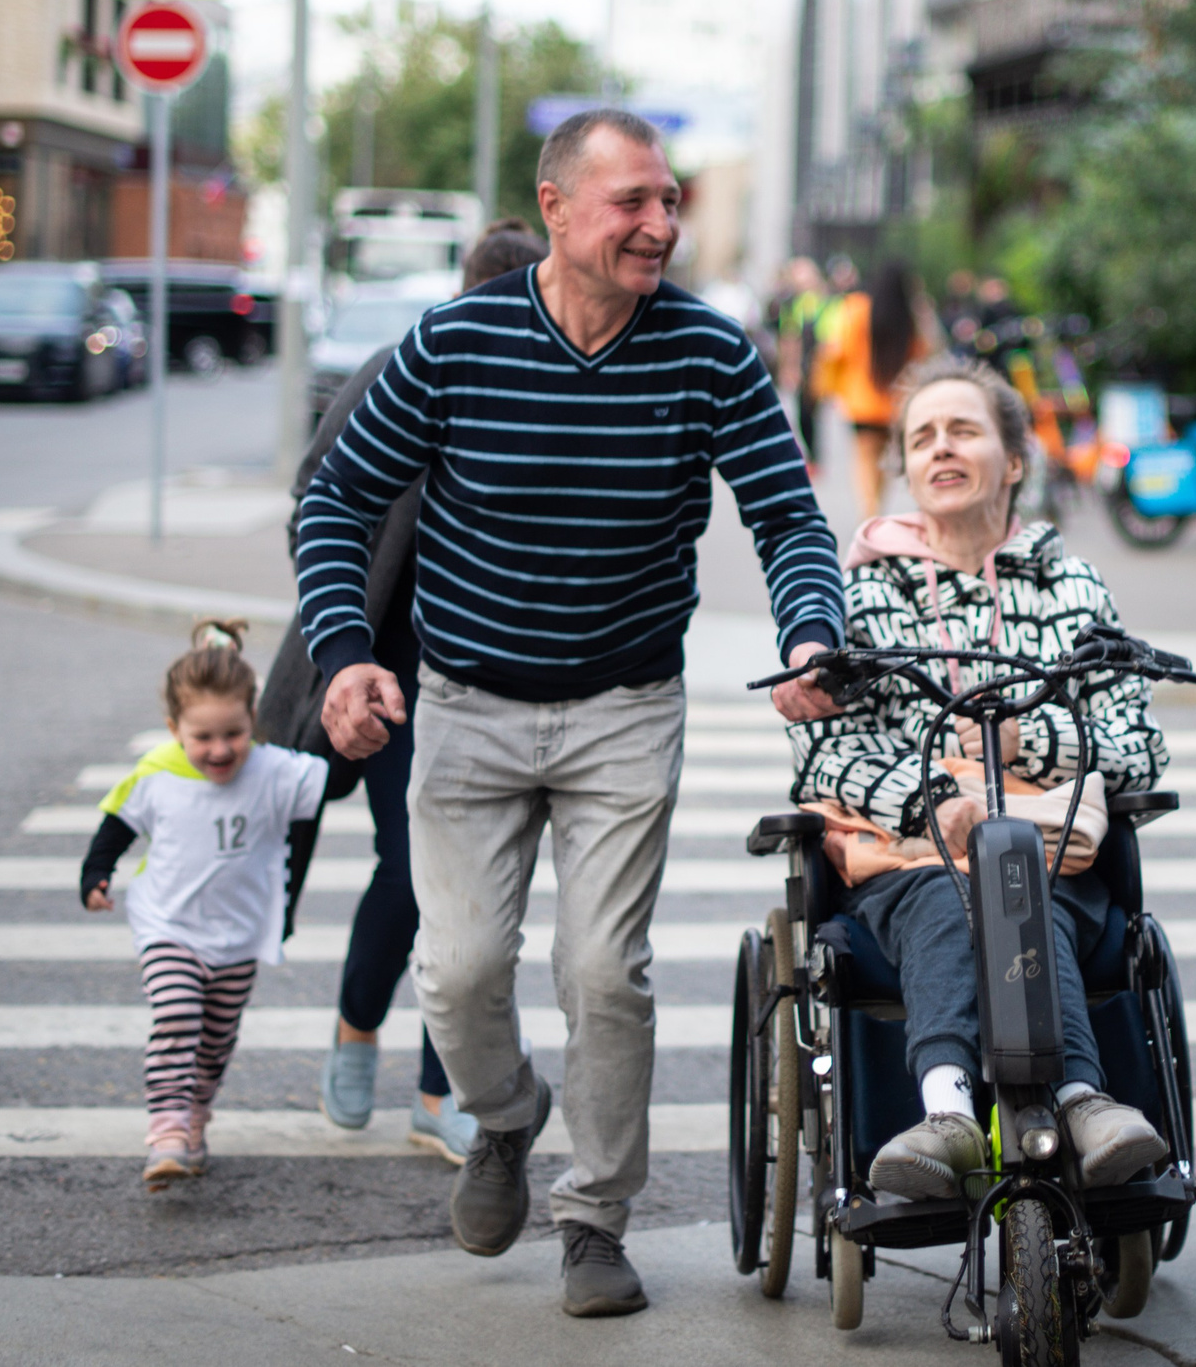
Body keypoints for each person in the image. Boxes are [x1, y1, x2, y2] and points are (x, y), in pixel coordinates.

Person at [294, 108, 847, 1318]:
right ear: (556, 208)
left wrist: (813, 627)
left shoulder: (709, 352)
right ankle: (503, 1115)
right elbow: (335, 500)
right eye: (631, 201)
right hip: (467, 702)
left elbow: (789, 517)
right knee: (457, 970)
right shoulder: (452, 343)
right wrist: (344, 657)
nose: (660, 223)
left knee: (604, 972)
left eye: (668, 200)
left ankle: (595, 1217)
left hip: (622, 705)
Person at [787, 360, 1173, 1200]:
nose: (941, 448)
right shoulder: (860, 597)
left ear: (1015, 461)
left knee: (1018, 881)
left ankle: (1078, 1097)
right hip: (910, 862)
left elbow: (1138, 745)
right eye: (921, 437)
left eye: (963, 430)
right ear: (905, 467)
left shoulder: (1073, 589)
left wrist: (1024, 737)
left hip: (1049, 856)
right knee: (951, 895)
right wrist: (935, 801)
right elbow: (822, 757)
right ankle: (948, 1111)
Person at [258, 223, 546, 1165]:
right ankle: (355, 1032)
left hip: (497, 677)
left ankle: (439, 1090)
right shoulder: (403, 368)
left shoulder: (552, 384)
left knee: (466, 887)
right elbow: (317, 496)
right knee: (415, 871)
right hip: (390, 669)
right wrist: (345, 644)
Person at [77, 623, 326, 1192]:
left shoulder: (275, 770)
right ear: (174, 730)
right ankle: (166, 1130)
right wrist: (96, 873)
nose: (219, 751)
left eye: (234, 734)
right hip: (169, 926)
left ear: (253, 723)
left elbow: (324, 780)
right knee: (176, 1018)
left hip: (239, 934)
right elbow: (116, 825)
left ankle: (195, 1116)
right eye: (203, 737)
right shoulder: (158, 772)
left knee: (216, 1039)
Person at [815, 258, 934, 522]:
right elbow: (923, 353)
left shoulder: (855, 309)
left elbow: (837, 351)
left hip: (861, 401)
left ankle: (869, 511)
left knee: (864, 457)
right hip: (895, 403)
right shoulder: (909, 316)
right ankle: (876, 507)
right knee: (883, 459)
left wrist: (828, 385)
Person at [773, 256, 829, 469]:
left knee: (811, 412)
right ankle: (812, 456)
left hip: (818, 364)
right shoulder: (792, 302)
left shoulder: (821, 300)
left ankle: (814, 457)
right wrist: (790, 367)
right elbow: (789, 337)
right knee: (803, 412)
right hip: (804, 364)